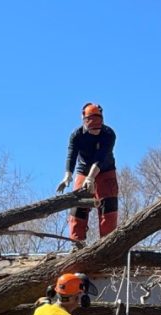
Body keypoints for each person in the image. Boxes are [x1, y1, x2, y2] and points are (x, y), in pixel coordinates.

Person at [57, 102, 118, 246]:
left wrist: (91, 178)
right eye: (92, 128)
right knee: (78, 206)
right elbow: (71, 155)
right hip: (83, 171)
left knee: (108, 208)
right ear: (85, 122)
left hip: (105, 171)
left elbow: (101, 158)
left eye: (98, 128)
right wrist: (68, 175)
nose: (96, 131)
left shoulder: (109, 134)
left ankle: (107, 245)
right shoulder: (76, 135)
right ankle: (77, 243)